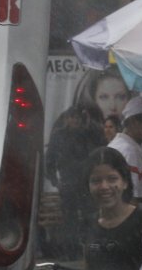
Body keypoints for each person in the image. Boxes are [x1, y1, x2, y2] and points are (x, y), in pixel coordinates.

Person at [44, 103, 105, 258]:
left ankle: (90, 248)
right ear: (67, 119)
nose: (75, 121)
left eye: (78, 117)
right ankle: (70, 251)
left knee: (89, 216)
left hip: (86, 182)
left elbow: (100, 147)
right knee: (69, 219)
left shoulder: (89, 134)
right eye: (72, 117)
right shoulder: (59, 135)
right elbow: (50, 158)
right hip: (68, 182)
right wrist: (53, 179)